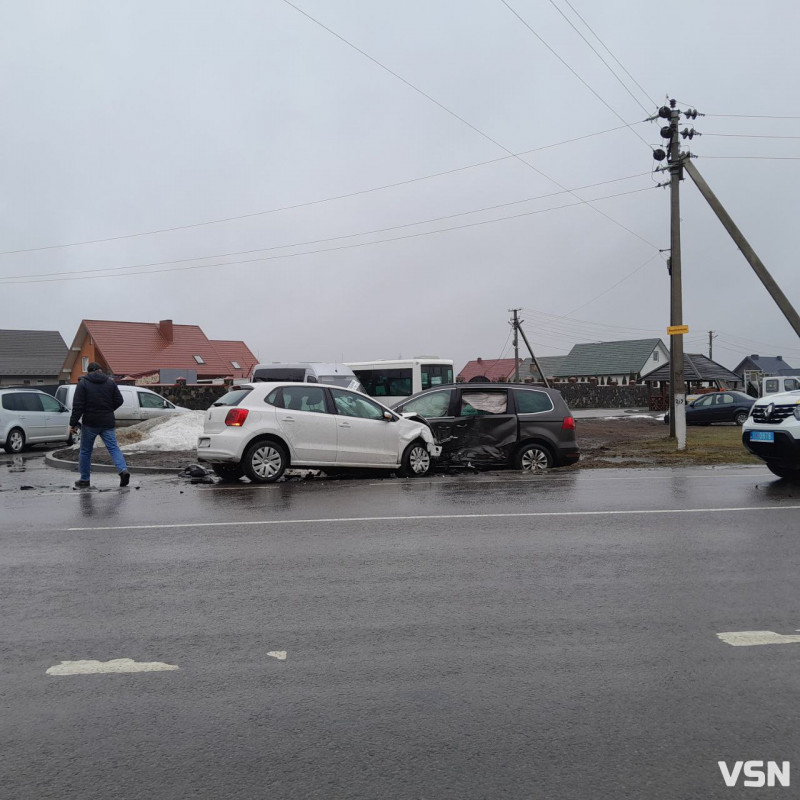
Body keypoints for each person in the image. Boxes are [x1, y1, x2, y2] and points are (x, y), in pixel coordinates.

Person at [69, 362, 130, 488]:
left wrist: (73, 423)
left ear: (88, 371)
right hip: (107, 422)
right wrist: (108, 410)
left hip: (90, 423)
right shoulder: (110, 382)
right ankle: (123, 470)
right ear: (100, 370)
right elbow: (120, 400)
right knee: (113, 448)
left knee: (85, 451)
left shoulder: (83, 384)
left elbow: (78, 406)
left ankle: (85, 479)